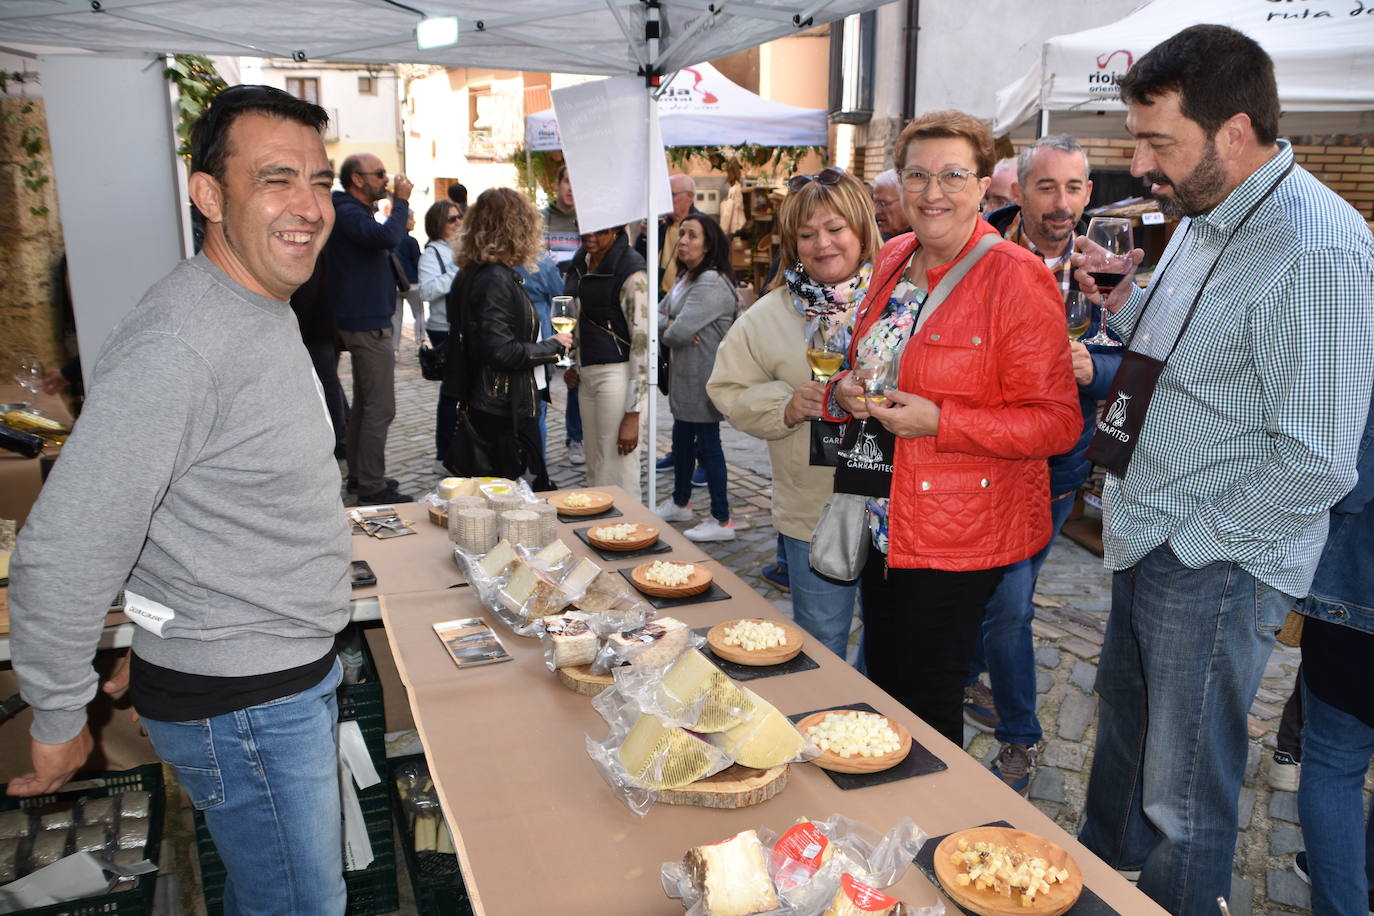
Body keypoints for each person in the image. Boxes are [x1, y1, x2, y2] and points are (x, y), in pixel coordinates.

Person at [8, 85, 351, 915]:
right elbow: (67, 541)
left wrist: (160, 629)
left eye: (321, 179)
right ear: (208, 195)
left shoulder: (256, 306)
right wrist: (58, 712)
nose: (309, 206)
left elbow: (182, 498)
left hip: (255, 678)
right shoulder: (182, 343)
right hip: (250, 707)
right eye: (277, 178)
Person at [1074, 25, 1374, 916]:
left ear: (1233, 130)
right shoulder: (1211, 213)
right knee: (1126, 756)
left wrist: (1198, 543)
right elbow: (1193, 358)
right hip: (1147, 527)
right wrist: (1124, 307)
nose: (1140, 161)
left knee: (1184, 796)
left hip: (1212, 556)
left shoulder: (1318, 246)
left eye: (1158, 139)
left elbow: (1319, 458)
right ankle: (1102, 886)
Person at [824, 109, 1080, 748]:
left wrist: (943, 422)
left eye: (952, 175)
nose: (932, 192)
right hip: (884, 514)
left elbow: (1056, 424)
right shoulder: (892, 256)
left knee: (929, 704)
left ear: (986, 186)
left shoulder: (1017, 278)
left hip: (958, 533)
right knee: (886, 686)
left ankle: (940, 836)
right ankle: (892, 820)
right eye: (917, 174)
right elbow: (872, 359)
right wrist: (846, 391)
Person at [962, 135, 1123, 794]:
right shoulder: (978, 253)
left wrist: (1097, 368)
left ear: (1090, 193)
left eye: (1076, 188)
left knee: (1007, 600)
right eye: (1048, 187)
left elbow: (1130, 361)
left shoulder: (1108, 265)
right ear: (1020, 190)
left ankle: (1009, 722)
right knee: (1007, 602)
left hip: (1057, 467)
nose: (1062, 203)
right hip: (984, 454)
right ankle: (1019, 731)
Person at [708, 167, 881, 662]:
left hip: (896, 507)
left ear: (862, 230)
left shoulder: (900, 302)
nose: (822, 244)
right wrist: (785, 405)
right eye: (806, 234)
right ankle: (825, 724)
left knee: (889, 640)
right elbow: (726, 387)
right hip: (814, 510)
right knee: (822, 638)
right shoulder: (769, 315)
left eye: (835, 229)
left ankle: (870, 732)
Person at [1290, 400, 1374, 916]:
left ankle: (1345, 902)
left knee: (1334, 762)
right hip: (1356, 597)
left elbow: (1349, 481)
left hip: (1357, 597)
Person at [440, 188, 572, 490]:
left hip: (491, 403)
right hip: (502, 410)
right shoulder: (493, 278)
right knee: (519, 497)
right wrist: (553, 347)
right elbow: (499, 350)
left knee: (503, 495)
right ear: (517, 227)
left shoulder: (475, 272)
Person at [328, 152, 412, 504]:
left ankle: (362, 476)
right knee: (380, 407)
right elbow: (386, 238)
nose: (386, 179)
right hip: (365, 322)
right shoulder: (346, 211)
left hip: (365, 319)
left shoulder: (350, 211)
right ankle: (372, 487)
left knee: (364, 405)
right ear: (357, 180)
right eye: (378, 174)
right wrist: (402, 200)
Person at [655, 213, 738, 542]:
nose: (683, 241)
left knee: (708, 446)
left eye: (692, 235)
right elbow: (658, 320)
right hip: (684, 381)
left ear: (709, 244)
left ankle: (721, 519)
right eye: (682, 234)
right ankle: (680, 502)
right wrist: (671, 324)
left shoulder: (710, 283)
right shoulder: (687, 278)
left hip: (704, 381)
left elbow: (679, 332)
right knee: (681, 443)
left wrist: (673, 325)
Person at [563, 224, 649, 498]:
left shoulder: (631, 269)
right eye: (584, 227)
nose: (589, 235)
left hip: (618, 373)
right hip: (588, 373)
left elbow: (642, 341)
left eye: (598, 230)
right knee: (596, 468)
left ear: (615, 229)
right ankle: (601, 532)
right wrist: (574, 359)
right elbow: (577, 318)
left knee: (617, 470)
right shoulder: (581, 261)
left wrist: (633, 412)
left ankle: (626, 532)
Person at [540, 165, 584, 464]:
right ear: (556, 184)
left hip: (578, 297)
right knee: (545, 369)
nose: (570, 187)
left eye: (575, 181)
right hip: (549, 301)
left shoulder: (587, 219)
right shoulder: (543, 218)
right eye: (566, 180)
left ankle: (576, 437)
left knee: (576, 371)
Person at [419, 200, 462, 469]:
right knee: (451, 393)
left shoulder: (464, 249)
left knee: (462, 391)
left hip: (466, 326)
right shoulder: (431, 255)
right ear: (438, 224)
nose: (458, 222)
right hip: (443, 329)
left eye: (460, 217)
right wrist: (458, 271)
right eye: (452, 219)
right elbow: (426, 291)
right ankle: (443, 453)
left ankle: (461, 448)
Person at [392, 208, 423, 350]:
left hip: (395, 284)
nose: (414, 221)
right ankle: (420, 341)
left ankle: (395, 347)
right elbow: (417, 262)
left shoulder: (391, 240)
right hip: (412, 283)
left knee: (396, 317)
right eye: (411, 219)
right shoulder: (411, 241)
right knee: (419, 314)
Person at [871, 169, 910, 240]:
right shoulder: (875, 240)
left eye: (883, 203)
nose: (876, 211)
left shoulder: (926, 245)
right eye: (875, 203)